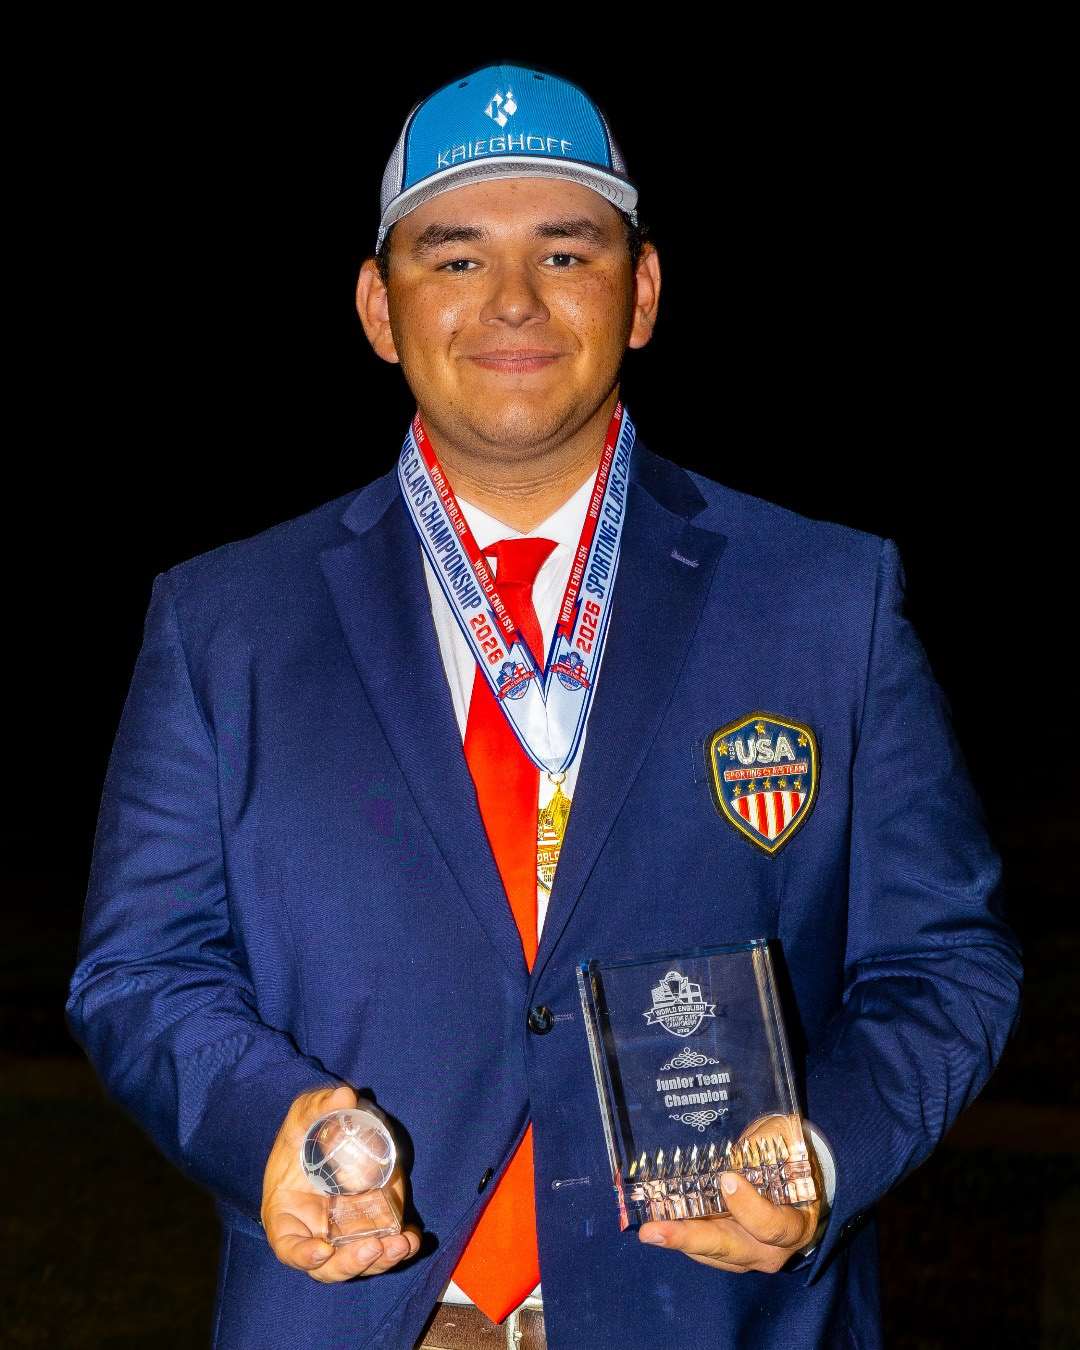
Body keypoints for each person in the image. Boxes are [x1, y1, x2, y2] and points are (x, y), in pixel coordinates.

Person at [66, 61, 1022, 1350]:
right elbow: (141, 971)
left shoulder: (823, 598)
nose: (511, 301)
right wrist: (262, 1124)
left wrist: (829, 1153)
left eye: (566, 253)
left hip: (721, 1314)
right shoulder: (224, 622)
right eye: (453, 259)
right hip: (367, 1316)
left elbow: (944, 964)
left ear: (642, 293)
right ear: (376, 306)